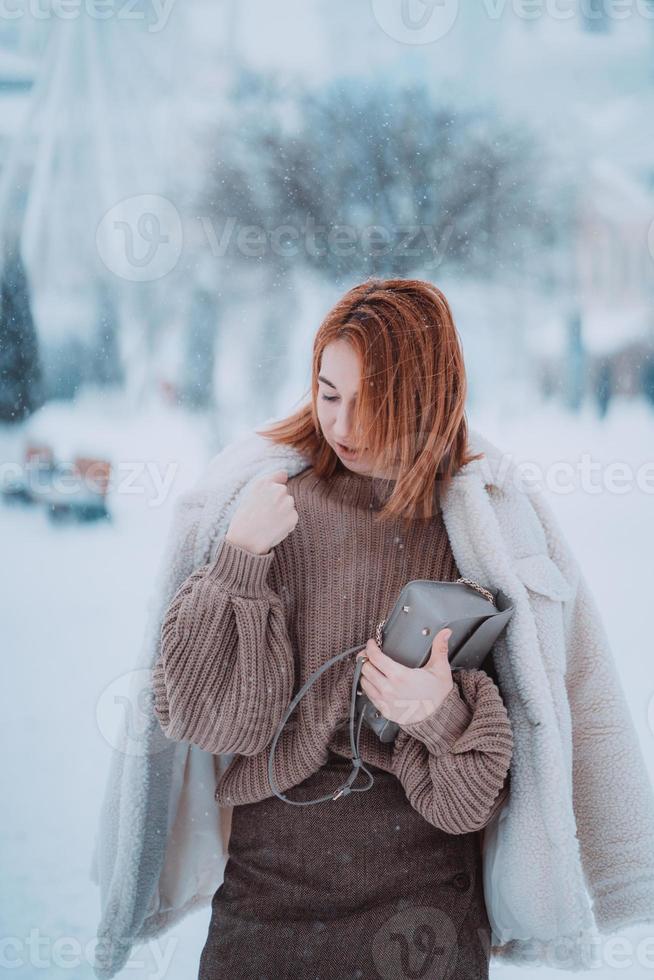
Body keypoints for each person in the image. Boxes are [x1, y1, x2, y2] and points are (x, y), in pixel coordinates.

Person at [151, 278, 514, 979]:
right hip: (270, 879)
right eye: (328, 394)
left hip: (422, 898)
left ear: (423, 400)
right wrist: (239, 559)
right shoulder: (273, 504)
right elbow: (200, 716)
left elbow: (475, 801)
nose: (343, 427)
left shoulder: (471, 532)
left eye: (370, 403)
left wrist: (439, 715)